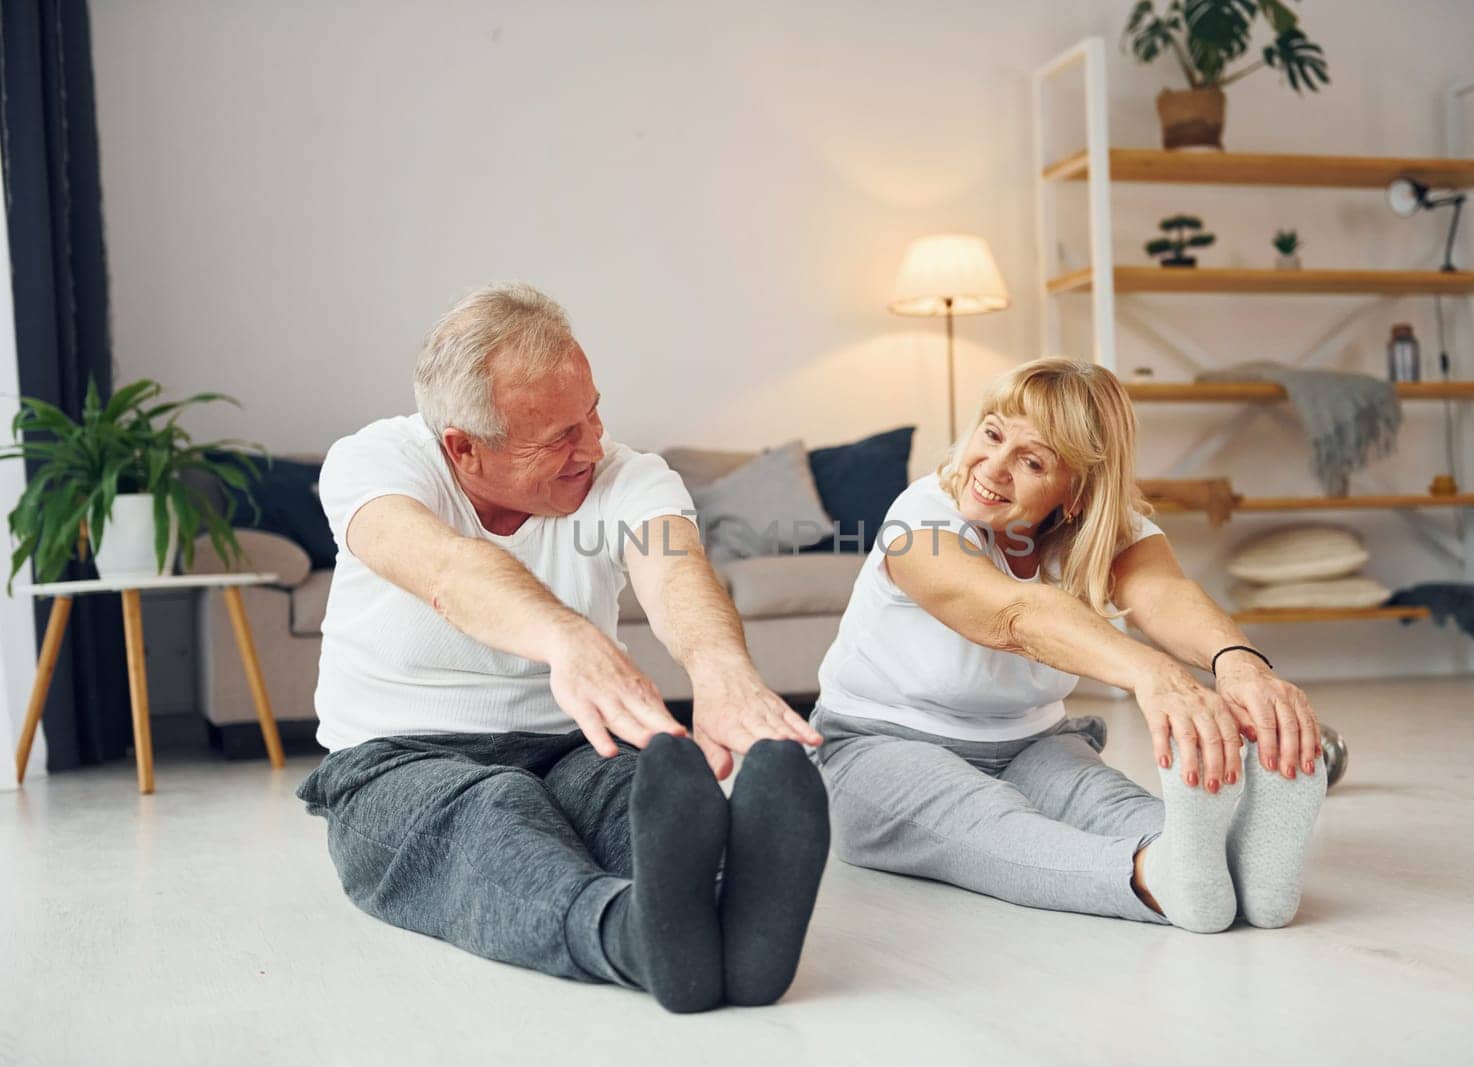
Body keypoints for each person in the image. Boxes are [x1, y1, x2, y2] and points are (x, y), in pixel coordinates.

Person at [294, 282, 830, 1012]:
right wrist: (566, 637)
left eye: (593, 412)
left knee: (637, 793)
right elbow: (447, 568)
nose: (595, 445)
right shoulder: (377, 464)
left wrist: (722, 672)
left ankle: (725, 916)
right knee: (492, 816)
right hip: (397, 762)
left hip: (575, 748)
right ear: (464, 447)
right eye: (560, 437)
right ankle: (635, 939)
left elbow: (674, 568)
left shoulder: (627, 475)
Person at [812, 357, 1327, 933]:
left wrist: (1240, 665)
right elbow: (1015, 614)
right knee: (987, 823)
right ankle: (1153, 877)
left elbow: (1162, 593)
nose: (994, 467)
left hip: (1031, 742)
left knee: (1113, 806)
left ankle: (1243, 866)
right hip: (879, 745)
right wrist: (1152, 674)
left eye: (1031, 461)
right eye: (992, 434)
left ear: (1074, 493)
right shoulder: (920, 518)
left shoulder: (1101, 529)